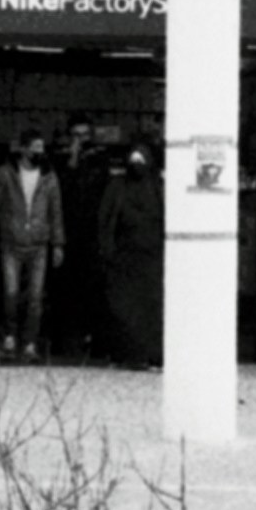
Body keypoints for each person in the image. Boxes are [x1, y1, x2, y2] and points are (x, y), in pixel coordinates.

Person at [0, 128, 65, 361]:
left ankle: (30, 344)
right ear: (23, 149)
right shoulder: (5, 174)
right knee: (11, 293)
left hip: (39, 245)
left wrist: (58, 243)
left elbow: (56, 212)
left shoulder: (49, 177)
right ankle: (10, 337)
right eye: (35, 148)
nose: (39, 152)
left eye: (41, 148)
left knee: (36, 297)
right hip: (11, 243)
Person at [96, 140, 165, 368]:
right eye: (133, 161)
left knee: (150, 310)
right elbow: (105, 221)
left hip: (151, 261)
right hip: (124, 260)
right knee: (124, 309)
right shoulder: (118, 187)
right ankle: (126, 354)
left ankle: (149, 354)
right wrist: (108, 252)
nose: (137, 165)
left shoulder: (157, 187)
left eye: (141, 161)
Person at [55, 116, 112, 353]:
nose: (81, 140)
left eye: (85, 135)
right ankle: (65, 339)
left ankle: (95, 339)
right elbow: (61, 189)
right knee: (65, 286)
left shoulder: (100, 160)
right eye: (76, 135)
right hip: (67, 232)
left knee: (93, 287)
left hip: (91, 232)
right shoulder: (61, 160)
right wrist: (72, 157)